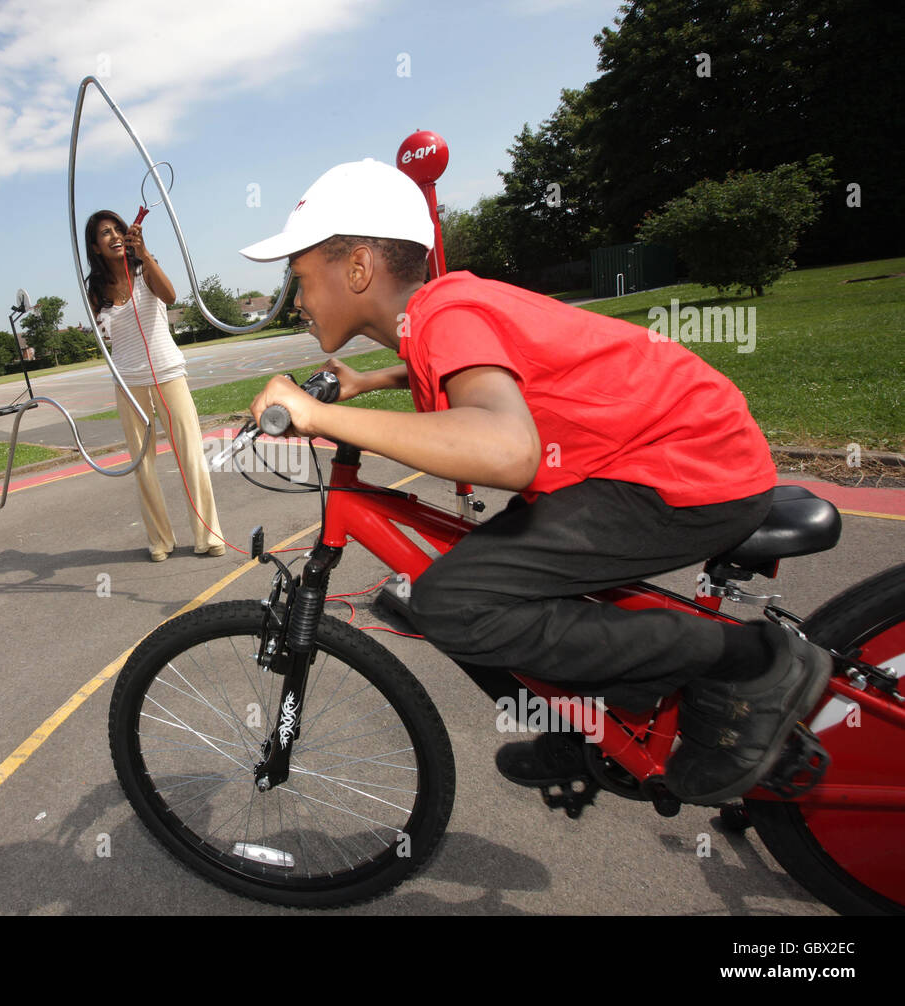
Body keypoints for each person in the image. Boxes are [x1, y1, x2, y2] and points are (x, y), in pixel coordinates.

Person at [240, 159, 831, 807]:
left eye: (299, 278)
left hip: (686, 470)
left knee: (454, 602)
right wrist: (369, 383)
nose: (295, 300)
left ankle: (751, 660)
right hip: (666, 453)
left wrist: (319, 413)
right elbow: (476, 367)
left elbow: (507, 448)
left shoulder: (445, 318)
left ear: (357, 269)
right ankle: (583, 724)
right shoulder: (440, 313)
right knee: (495, 575)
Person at [84, 209, 224, 561]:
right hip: (129, 384)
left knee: (190, 455)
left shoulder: (144, 268)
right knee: (142, 465)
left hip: (167, 374)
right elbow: (103, 336)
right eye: (105, 233)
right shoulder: (95, 290)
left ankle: (207, 535)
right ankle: (161, 540)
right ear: (95, 246)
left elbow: (172, 296)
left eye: (118, 229)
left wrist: (143, 254)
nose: (115, 235)